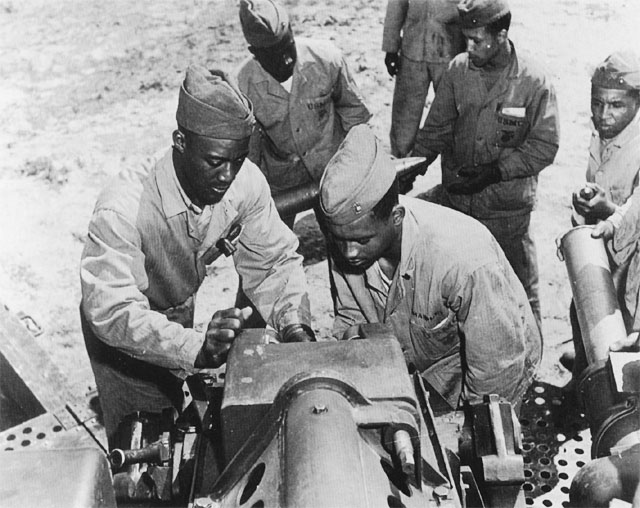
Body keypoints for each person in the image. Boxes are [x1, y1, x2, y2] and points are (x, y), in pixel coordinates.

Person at [80, 65, 315, 445]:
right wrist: (195, 348)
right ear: (180, 141)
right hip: (124, 337)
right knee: (146, 456)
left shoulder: (244, 181)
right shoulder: (122, 209)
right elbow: (112, 311)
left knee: (185, 424)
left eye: (237, 161)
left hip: (176, 307)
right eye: (215, 162)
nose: (226, 177)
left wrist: (294, 325)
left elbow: (273, 262)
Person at [320, 125, 541, 411]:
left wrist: (475, 429)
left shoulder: (463, 260)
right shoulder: (347, 239)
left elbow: (496, 371)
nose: (349, 253)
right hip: (425, 361)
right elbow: (351, 317)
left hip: (494, 362)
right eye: (340, 240)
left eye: (362, 240)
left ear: (396, 217)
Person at [412, 0, 560, 327]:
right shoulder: (457, 71)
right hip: (460, 204)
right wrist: (412, 167)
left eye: (477, 39)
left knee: (519, 291)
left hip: (507, 212)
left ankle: (529, 365)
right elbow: (436, 129)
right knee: (460, 290)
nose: (469, 46)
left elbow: (544, 146)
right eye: (466, 38)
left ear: (502, 34)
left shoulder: (533, 81)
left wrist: (496, 171)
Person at [235, 0, 372, 228]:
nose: (287, 59)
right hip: (282, 180)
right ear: (255, 54)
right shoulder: (243, 87)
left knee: (349, 239)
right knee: (271, 248)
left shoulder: (327, 59)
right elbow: (249, 157)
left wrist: (358, 166)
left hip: (333, 166)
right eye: (273, 56)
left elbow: (355, 113)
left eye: (288, 47)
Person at [562, 50, 640, 377]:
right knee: (581, 312)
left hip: (634, 263)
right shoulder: (605, 134)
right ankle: (586, 380)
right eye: (598, 103)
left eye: (616, 105)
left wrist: (609, 214)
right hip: (610, 246)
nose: (603, 114)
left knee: (623, 333)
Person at [382, 0, 465, 158]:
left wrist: (472, 53)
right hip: (412, 52)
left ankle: (453, 178)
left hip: (451, 52)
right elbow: (397, 5)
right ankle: (401, 173)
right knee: (403, 123)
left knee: (453, 120)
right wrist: (391, 48)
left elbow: (477, 7)